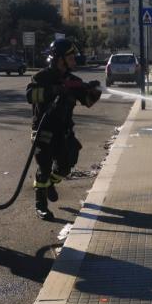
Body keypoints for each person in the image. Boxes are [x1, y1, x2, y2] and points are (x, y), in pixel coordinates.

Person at [25, 39, 101, 219]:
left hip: (64, 132)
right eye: (71, 56)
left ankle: (50, 183)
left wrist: (94, 91)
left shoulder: (73, 81)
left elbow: (88, 102)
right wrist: (54, 90)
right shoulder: (41, 77)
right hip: (43, 131)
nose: (75, 59)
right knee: (43, 168)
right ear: (60, 59)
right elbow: (30, 96)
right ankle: (41, 204)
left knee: (65, 168)